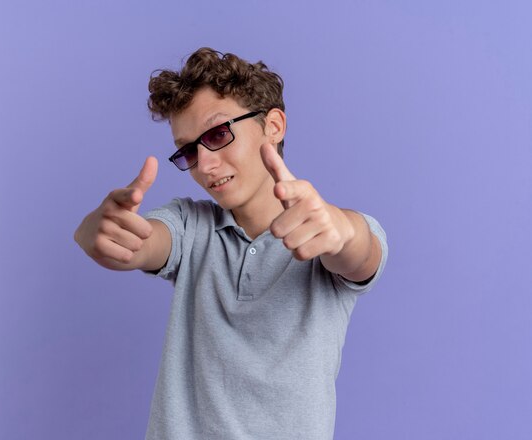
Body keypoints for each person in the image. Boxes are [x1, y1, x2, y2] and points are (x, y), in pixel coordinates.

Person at [74, 47, 388, 440]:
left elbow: (358, 252)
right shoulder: (192, 225)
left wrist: (343, 229)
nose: (204, 165)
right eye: (189, 150)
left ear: (273, 126)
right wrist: (98, 233)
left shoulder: (326, 233)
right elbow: (146, 242)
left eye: (218, 134)